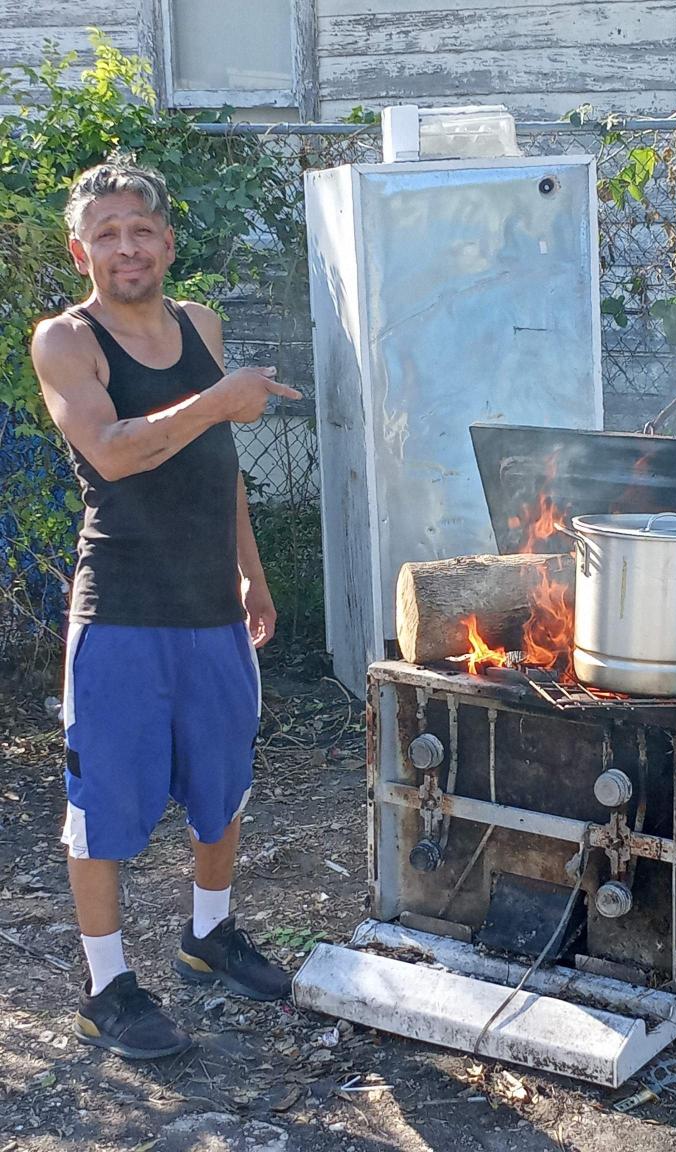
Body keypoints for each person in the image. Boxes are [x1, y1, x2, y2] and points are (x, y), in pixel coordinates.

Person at [30, 159, 302, 1060]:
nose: (126, 247)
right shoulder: (66, 341)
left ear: (168, 242)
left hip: (210, 608)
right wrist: (218, 400)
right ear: (81, 253)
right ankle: (106, 988)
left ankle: (208, 937)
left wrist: (251, 575)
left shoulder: (200, 325)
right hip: (121, 613)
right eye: (105, 234)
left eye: (140, 229)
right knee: (103, 803)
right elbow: (112, 451)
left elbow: (221, 467)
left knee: (222, 785)